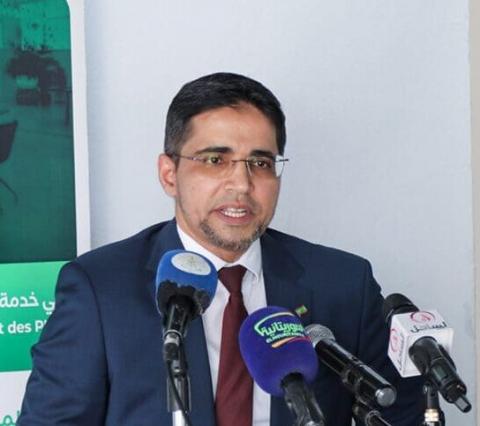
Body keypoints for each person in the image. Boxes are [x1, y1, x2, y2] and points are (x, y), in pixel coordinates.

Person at [18, 72, 423, 425]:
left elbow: (400, 417)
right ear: (169, 174)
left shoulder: (344, 285)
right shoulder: (99, 289)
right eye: (215, 160)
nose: (242, 185)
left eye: (260, 163)